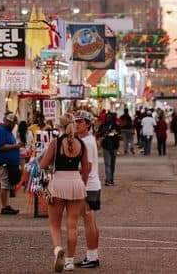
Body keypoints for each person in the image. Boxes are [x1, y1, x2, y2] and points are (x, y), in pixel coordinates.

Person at [40, 113, 90, 272]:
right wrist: (83, 184)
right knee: (72, 225)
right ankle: (69, 261)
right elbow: (86, 168)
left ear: (60, 126)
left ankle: (57, 250)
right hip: (76, 182)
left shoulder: (56, 143)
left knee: (54, 223)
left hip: (59, 183)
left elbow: (43, 164)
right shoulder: (82, 144)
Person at [75, 111, 101, 269]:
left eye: (81, 121)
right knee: (91, 222)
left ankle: (92, 257)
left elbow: (87, 167)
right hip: (92, 185)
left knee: (89, 222)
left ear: (88, 124)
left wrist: (81, 185)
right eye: (76, 121)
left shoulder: (87, 142)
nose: (77, 124)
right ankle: (92, 255)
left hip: (88, 186)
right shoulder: (85, 140)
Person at [0, 113, 23, 215]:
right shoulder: (1, 131)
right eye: (12, 123)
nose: (13, 125)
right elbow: (1, 146)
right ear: (7, 121)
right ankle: (4, 206)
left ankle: (7, 205)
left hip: (9, 162)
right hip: (4, 162)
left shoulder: (7, 131)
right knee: (5, 184)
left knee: (8, 185)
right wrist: (16, 146)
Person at [97, 113, 120, 186]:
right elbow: (99, 134)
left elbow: (119, 134)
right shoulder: (107, 126)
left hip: (111, 146)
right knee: (109, 164)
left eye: (109, 117)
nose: (108, 119)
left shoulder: (114, 126)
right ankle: (109, 180)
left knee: (110, 164)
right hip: (109, 147)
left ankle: (110, 179)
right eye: (108, 117)